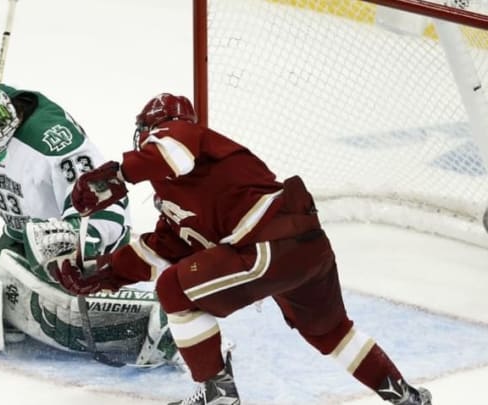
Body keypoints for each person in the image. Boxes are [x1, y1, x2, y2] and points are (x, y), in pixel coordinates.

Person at [57, 93, 433, 404]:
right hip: (305, 248)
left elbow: (174, 154)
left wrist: (117, 176)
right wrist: (104, 273)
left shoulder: (180, 134)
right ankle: (404, 396)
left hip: (269, 241)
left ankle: (217, 395)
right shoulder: (176, 195)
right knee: (331, 332)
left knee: (174, 289)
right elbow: (161, 248)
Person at [0, 83, 178, 366]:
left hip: (74, 235)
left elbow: (104, 197)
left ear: (5, 123)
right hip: (22, 232)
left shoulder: (53, 141)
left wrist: (85, 240)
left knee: (65, 305)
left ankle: (165, 317)